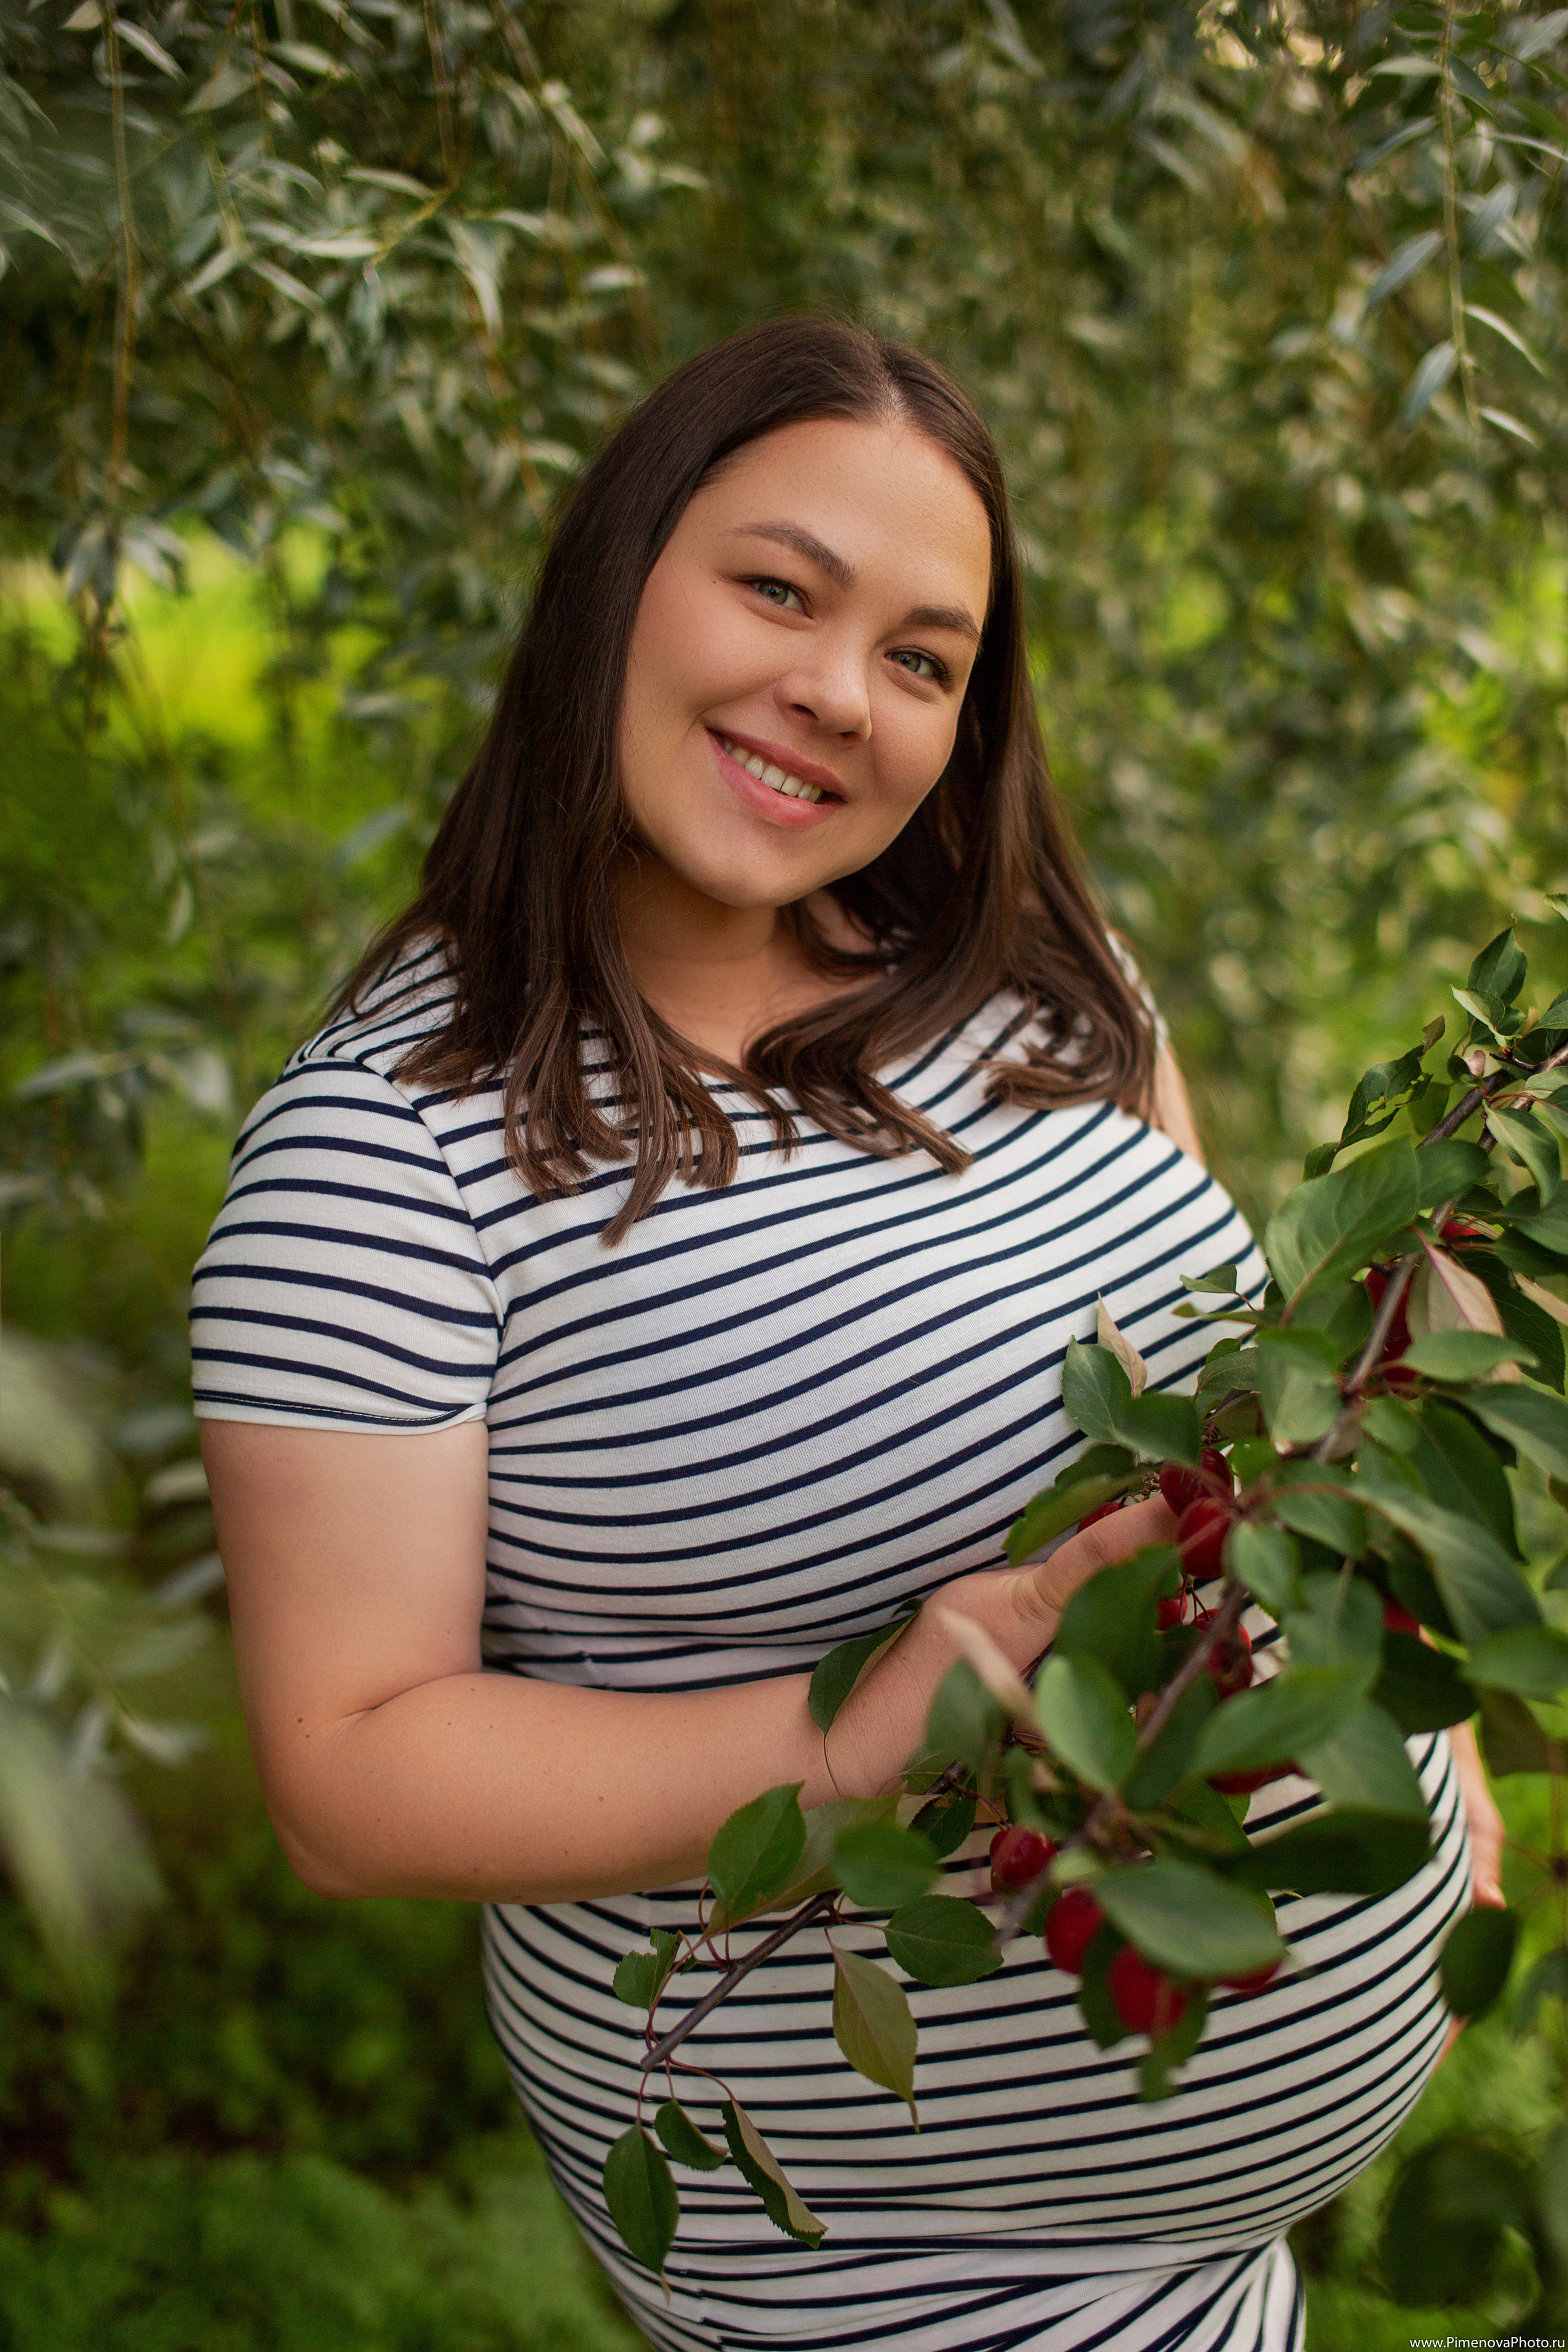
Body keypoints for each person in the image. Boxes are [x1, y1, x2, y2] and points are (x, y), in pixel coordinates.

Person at [193, 317, 1501, 2352]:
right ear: (617, 576)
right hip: (881, 2274)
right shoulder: (392, 1161)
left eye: (922, 656)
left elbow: (1250, 1414)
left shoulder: (1042, 977)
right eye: (779, 589)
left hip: (1219, 2266)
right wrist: (854, 1735)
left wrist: (1418, 1704)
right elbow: (346, 1774)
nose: (837, 694)